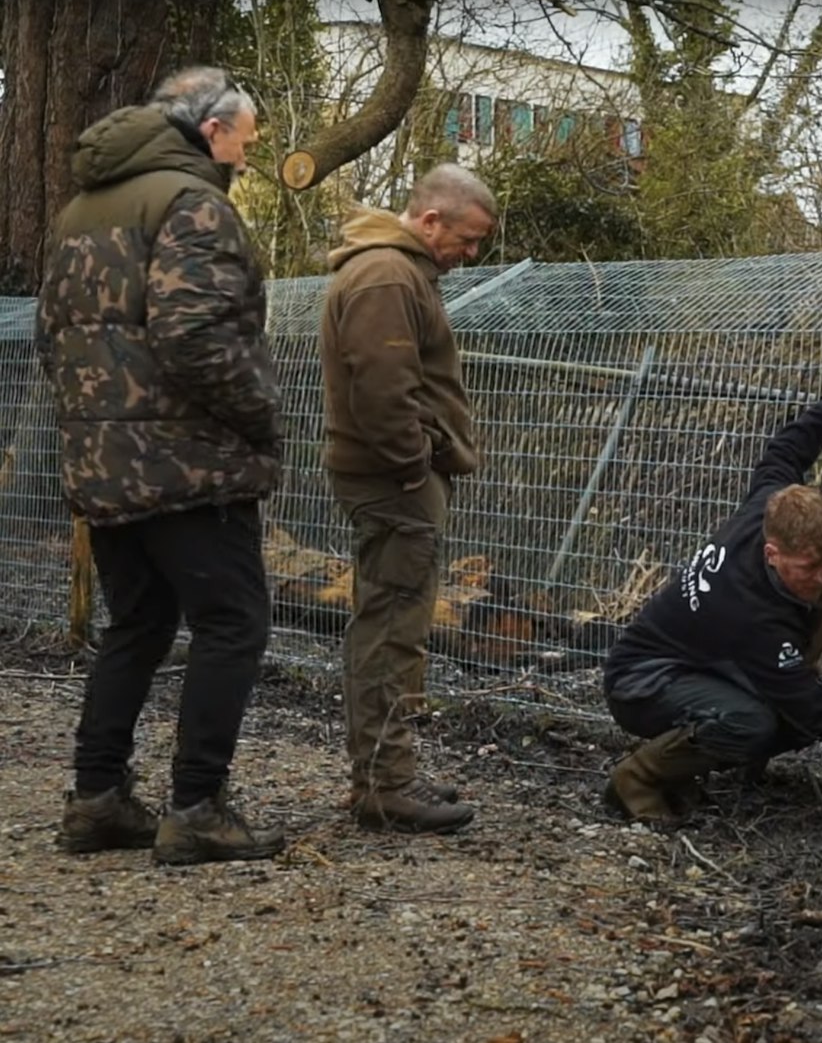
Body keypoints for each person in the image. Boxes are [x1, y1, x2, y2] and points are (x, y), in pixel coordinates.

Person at [36, 66, 287, 865]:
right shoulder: (193, 203)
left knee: (137, 625)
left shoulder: (79, 210)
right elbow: (194, 337)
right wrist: (261, 416)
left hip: (104, 461)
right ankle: (197, 806)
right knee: (233, 622)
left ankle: (97, 797)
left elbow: (51, 336)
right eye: (245, 138)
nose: (247, 155)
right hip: (188, 465)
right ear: (213, 130)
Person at [602, 356, 822, 824]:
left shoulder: (770, 504)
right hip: (640, 683)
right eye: (809, 568)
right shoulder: (750, 614)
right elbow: (818, 709)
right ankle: (638, 779)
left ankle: (685, 769)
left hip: (689, 666)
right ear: (772, 555)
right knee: (756, 721)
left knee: (789, 722)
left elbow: (785, 451)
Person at [319, 163, 498, 834]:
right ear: (430, 221)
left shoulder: (390, 272)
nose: (471, 254)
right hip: (392, 484)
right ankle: (384, 785)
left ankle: (387, 771)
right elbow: (384, 393)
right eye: (468, 239)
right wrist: (413, 468)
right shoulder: (389, 277)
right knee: (391, 629)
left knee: (392, 623)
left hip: (392, 479)